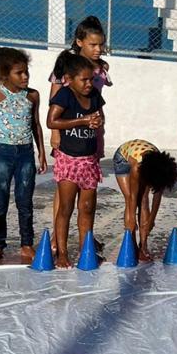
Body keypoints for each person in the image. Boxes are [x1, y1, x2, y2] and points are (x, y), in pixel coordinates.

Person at [0, 47, 47, 265]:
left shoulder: (32, 95)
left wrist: (42, 153)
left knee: (24, 200)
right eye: (19, 73)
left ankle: (26, 243)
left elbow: (36, 125)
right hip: (0, 152)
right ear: (4, 74)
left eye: (26, 72)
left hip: (25, 153)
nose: (25, 76)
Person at [48, 19, 111, 246]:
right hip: (68, 132)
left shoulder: (100, 70)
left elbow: (98, 101)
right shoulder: (66, 66)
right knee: (65, 187)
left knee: (87, 189)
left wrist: (99, 132)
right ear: (79, 43)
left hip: (90, 133)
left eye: (101, 45)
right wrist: (55, 135)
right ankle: (57, 237)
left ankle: (86, 236)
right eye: (93, 45)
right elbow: (53, 98)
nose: (98, 49)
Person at [47, 54, 104, 269]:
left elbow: (100, 116)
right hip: (69, 160)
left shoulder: (95, 95)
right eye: (84, 80)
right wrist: (82, 120)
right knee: (66, 207)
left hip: (89, 160)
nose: (89, 84)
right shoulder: (64, 95)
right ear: (70, 79)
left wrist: (97, 121)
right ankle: (62, 253)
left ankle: (86, 250)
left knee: (87, 207)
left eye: (91, 79)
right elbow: (52, 121)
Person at [113, 140, 177, 262]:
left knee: (144, 199)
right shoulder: (137, 168)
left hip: (148, 162)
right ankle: (131, 243)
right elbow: (133, 197)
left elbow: (157, 196)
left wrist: (151, 221)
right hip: (123, 157)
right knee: (129, 200)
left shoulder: (162, 169)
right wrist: (132, 220)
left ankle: (143, 246)